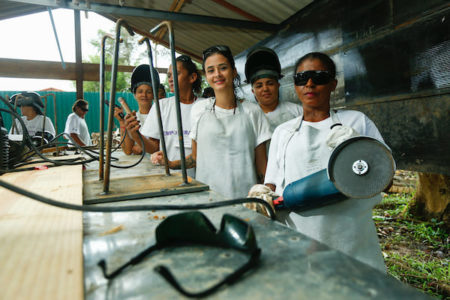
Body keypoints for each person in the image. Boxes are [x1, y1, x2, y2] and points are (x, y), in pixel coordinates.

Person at [263, 52, 386, 272]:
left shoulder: (355, 122)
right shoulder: (283, 132)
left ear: (333, 84)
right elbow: (271, 183)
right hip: (301, 236)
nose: (310, 83)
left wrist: (358, 149)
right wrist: (261, 195)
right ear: (295, 85)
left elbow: (385, 177)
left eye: (319, 76)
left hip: (350, 235)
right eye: (302, 78)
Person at [155, 45, 272, 199]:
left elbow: (262, 167)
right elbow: (195, 158)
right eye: (211, 70)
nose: (217, 74)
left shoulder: (253, 112)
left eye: (223, 68)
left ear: (233, 71)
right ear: (206, 76)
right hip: (208, 199)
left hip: (246, 199)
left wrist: (265, 196)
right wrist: (170, 164)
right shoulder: (199, 110)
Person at [125, 55, 203, 178]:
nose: (171, 79)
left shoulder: (204, 106)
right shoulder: (161, 106)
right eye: (169, 76)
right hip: (168, 177)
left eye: (176, 74)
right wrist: (136, 135)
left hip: (200, 178)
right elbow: (153, 147)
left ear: (192, 77)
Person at [245, 47, 302, 132]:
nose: (265, 89)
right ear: (253, 91)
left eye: (270, 83)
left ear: (278, 85)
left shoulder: (297, 111)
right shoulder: (248, 118)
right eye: (259, 86)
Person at [114, 64, 156, 155]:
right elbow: (128, 151)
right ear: (134, 95)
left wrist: (143, 146)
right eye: (140, 92)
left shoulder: (159, 117)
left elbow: (158, 147)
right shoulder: (132, 119)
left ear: (153, 95)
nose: (144, 95)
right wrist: (122, 122)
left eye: (148, 92)